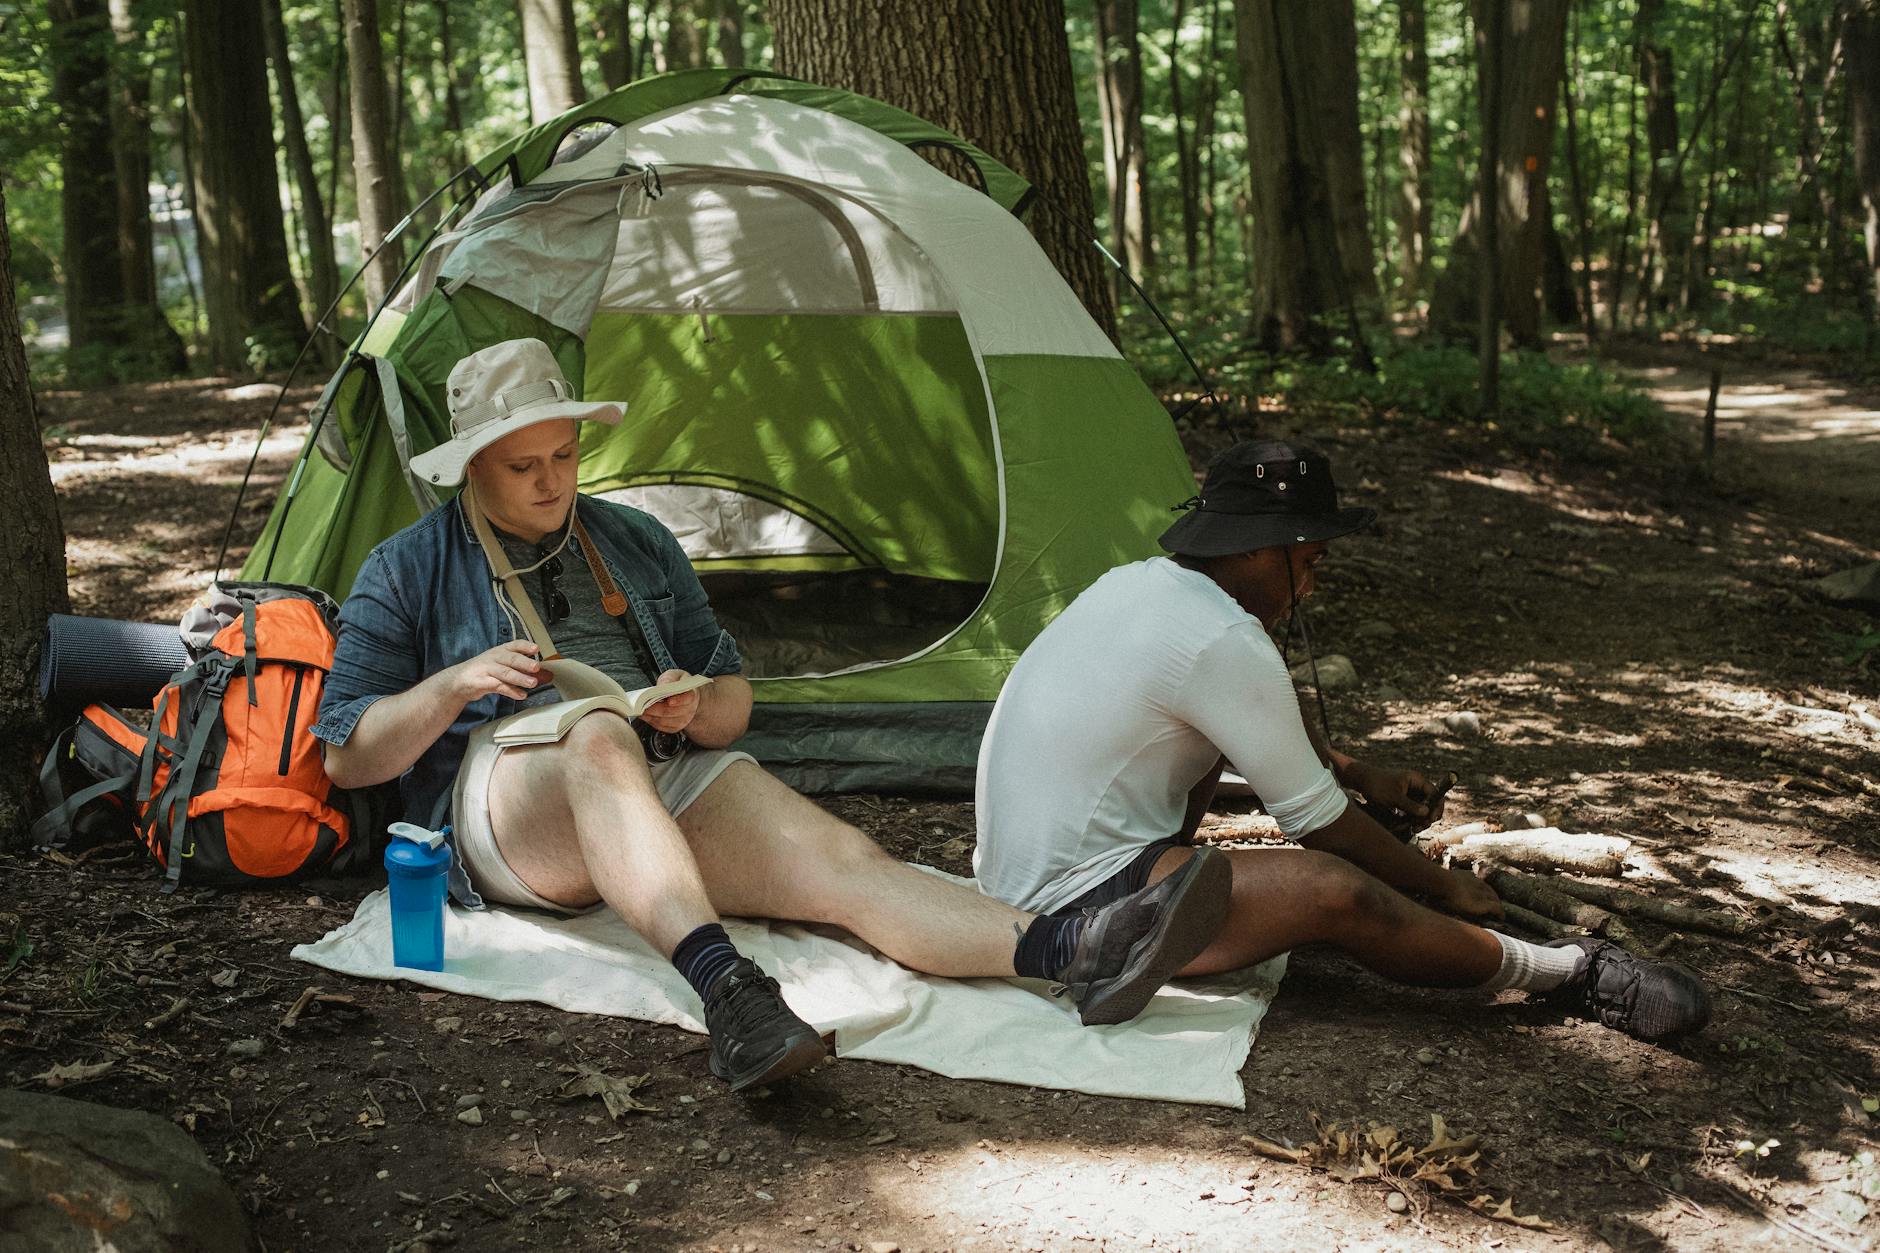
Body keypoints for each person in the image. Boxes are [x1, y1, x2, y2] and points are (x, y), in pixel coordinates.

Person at [312, 338, 1232, 1093]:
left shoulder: (632, 540)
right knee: (593, 733)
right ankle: (732, 995)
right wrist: (454, 684)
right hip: (505, 811)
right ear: (471, 464)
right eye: (523, 466)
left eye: (565, 456)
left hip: (646, 770)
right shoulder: (407, 567)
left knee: (842, 863)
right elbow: (348, 756)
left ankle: (1075, 947)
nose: (552, 483)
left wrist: (697, 702)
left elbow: (734, 705)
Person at [973, 439, 1713, 1045]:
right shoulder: (1225, 638)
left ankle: (1148, 916)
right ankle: (1565, 971)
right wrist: (1438, 882)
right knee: (1337, 889)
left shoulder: (1141, 587)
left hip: (1008, 879)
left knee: (1222, 751)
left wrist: (1358, 769)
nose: (1313, 586)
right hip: (1074, 906)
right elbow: (1317, 824)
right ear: (1273, 548)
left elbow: (1246, 709)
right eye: (1314, 561)